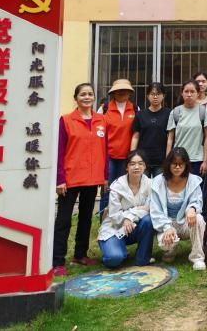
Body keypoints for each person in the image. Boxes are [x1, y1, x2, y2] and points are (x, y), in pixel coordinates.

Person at [53, 83, 107, 275]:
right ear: (76, 98)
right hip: (70, 178)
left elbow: (105, 149)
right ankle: (57, 261)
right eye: (83, 94)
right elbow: (59, 151)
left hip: (92, 178)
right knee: (64, 220)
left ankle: (80, 255)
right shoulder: (66, 120)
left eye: (90, 94)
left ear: (94, 97)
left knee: (86, 218)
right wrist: (59, 179)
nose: (87, 97)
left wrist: (105, 176)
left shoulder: (101, 120)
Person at [151, 147, 206, 269]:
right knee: (165, 244)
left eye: (181, 164)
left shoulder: (193, 180)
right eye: (174, 164)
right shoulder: (158, 181)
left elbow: (197, 200)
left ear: (186, 165)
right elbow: (155, 210)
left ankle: (197, 257)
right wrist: (167, 227)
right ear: (168, 164)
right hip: (167, 223)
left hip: (185, 222)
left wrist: (192, 208)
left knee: (199, 219)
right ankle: (170, 250)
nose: (177, 167)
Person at [97, 150, 153, 268]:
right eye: (132, 164)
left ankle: (142, 259)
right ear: (127, 167)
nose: (136, 167)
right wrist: (132, 214)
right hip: (113, 228)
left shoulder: (150, 184)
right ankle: (114, 251)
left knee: (148, 220)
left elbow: (149, 208)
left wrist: (129, 217)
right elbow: (115, 216)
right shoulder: (117, 186)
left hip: (132, 227)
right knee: (114, 259)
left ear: (145, 166)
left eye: (140, 163)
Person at [98, 78, 138, 215]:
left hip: (126, 157)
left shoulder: (135, 109)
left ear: (129, 92)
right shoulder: (104, 109)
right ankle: (103, 219)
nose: (122, 92)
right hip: (108, 157)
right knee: (107, 189)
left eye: (125, 90)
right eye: (119, 90)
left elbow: (137, 133)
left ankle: (121, 218)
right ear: (113, 93)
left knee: (123, 189)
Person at [166, 81, 207, 178]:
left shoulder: (203, 111)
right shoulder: (175, 112)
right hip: (178, 159)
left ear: (198, 93)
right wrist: (168, 160)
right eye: (186, 91)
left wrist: (206, 160)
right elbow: (170, 139)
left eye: (192, 91)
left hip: (197, 160)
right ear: (182, 93)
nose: (189, 94)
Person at [131, 81, 171, 177]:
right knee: (142, 186)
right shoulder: (140, 115)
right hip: (142, 160)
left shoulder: (169, 113)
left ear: (163, 96)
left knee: (159, 186)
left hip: (161, 161)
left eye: (158, 94)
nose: (155, 97)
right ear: (147, 96)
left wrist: (168, 158)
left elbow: (170, 137)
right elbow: (135, 136)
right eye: (152, 94)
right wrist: (132, 155)